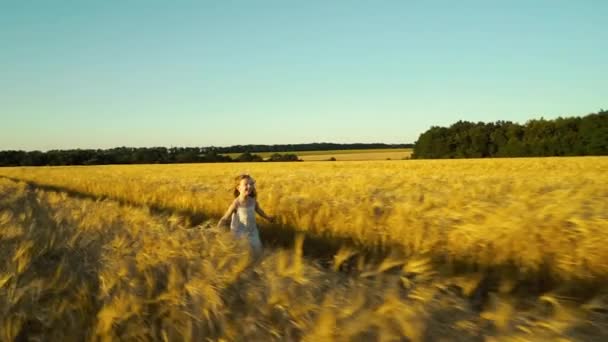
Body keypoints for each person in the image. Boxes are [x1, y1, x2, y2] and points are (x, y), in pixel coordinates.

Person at [217, 174, 274, 256]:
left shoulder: (253, 201)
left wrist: (268, 218)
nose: (249, 186)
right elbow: (226, 217)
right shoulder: (236, 203)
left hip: (252, 231)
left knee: (257, 250)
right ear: (238, 188)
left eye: (251, 184)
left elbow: (259, 210)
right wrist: (218, 228)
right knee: (242, 253)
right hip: (239, 232)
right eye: (246, 184)